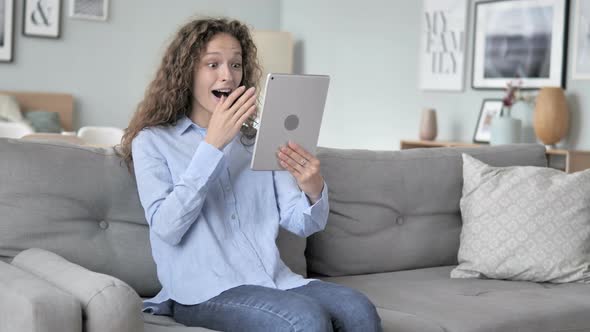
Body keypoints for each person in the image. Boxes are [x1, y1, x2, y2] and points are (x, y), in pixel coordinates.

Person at [119, 17, 382, 332]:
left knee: (359, 310)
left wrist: (312, 189)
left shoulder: (256, 141)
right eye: (212, 64)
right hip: (202, 291)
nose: (227, 76)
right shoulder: (152, 141)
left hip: (275, 281)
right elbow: (167, 228)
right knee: (304, 320)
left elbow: (301, 223)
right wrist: (212, 146)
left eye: (236, 65)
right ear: (186, 71)